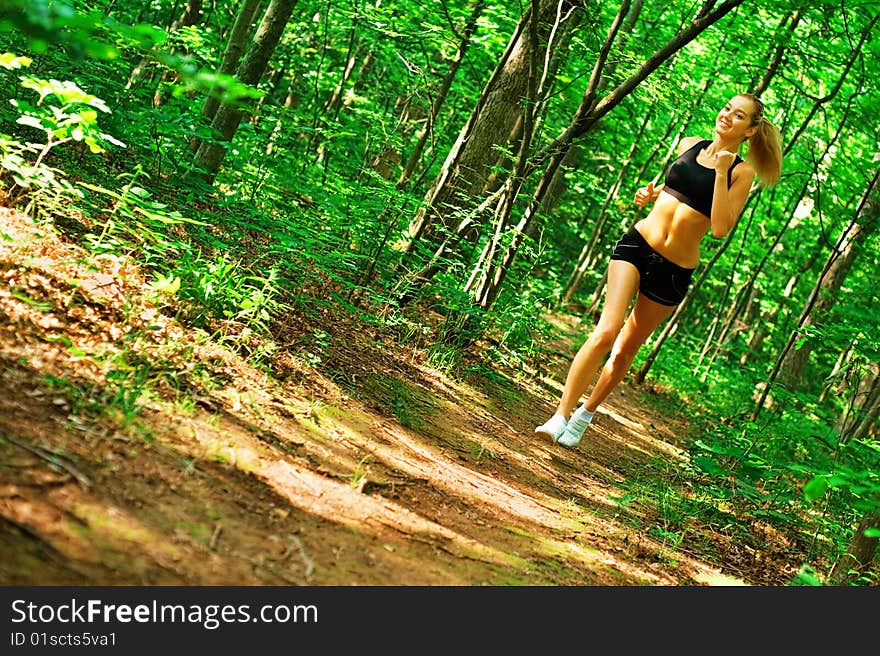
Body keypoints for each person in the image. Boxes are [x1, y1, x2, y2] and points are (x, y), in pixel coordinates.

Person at [535, 92, 783, 447]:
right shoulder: (689, 143)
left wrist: (722, 172)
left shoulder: (740, 173)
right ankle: (559, 415)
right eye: (726, 107)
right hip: (638, 244)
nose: (727, 115)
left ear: (749, 131)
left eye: (738, 115)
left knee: (623, 351)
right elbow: (675, 184)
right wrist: (650, 193)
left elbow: (719, 227)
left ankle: (584, 415)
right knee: (606, 331)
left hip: (674, 270)